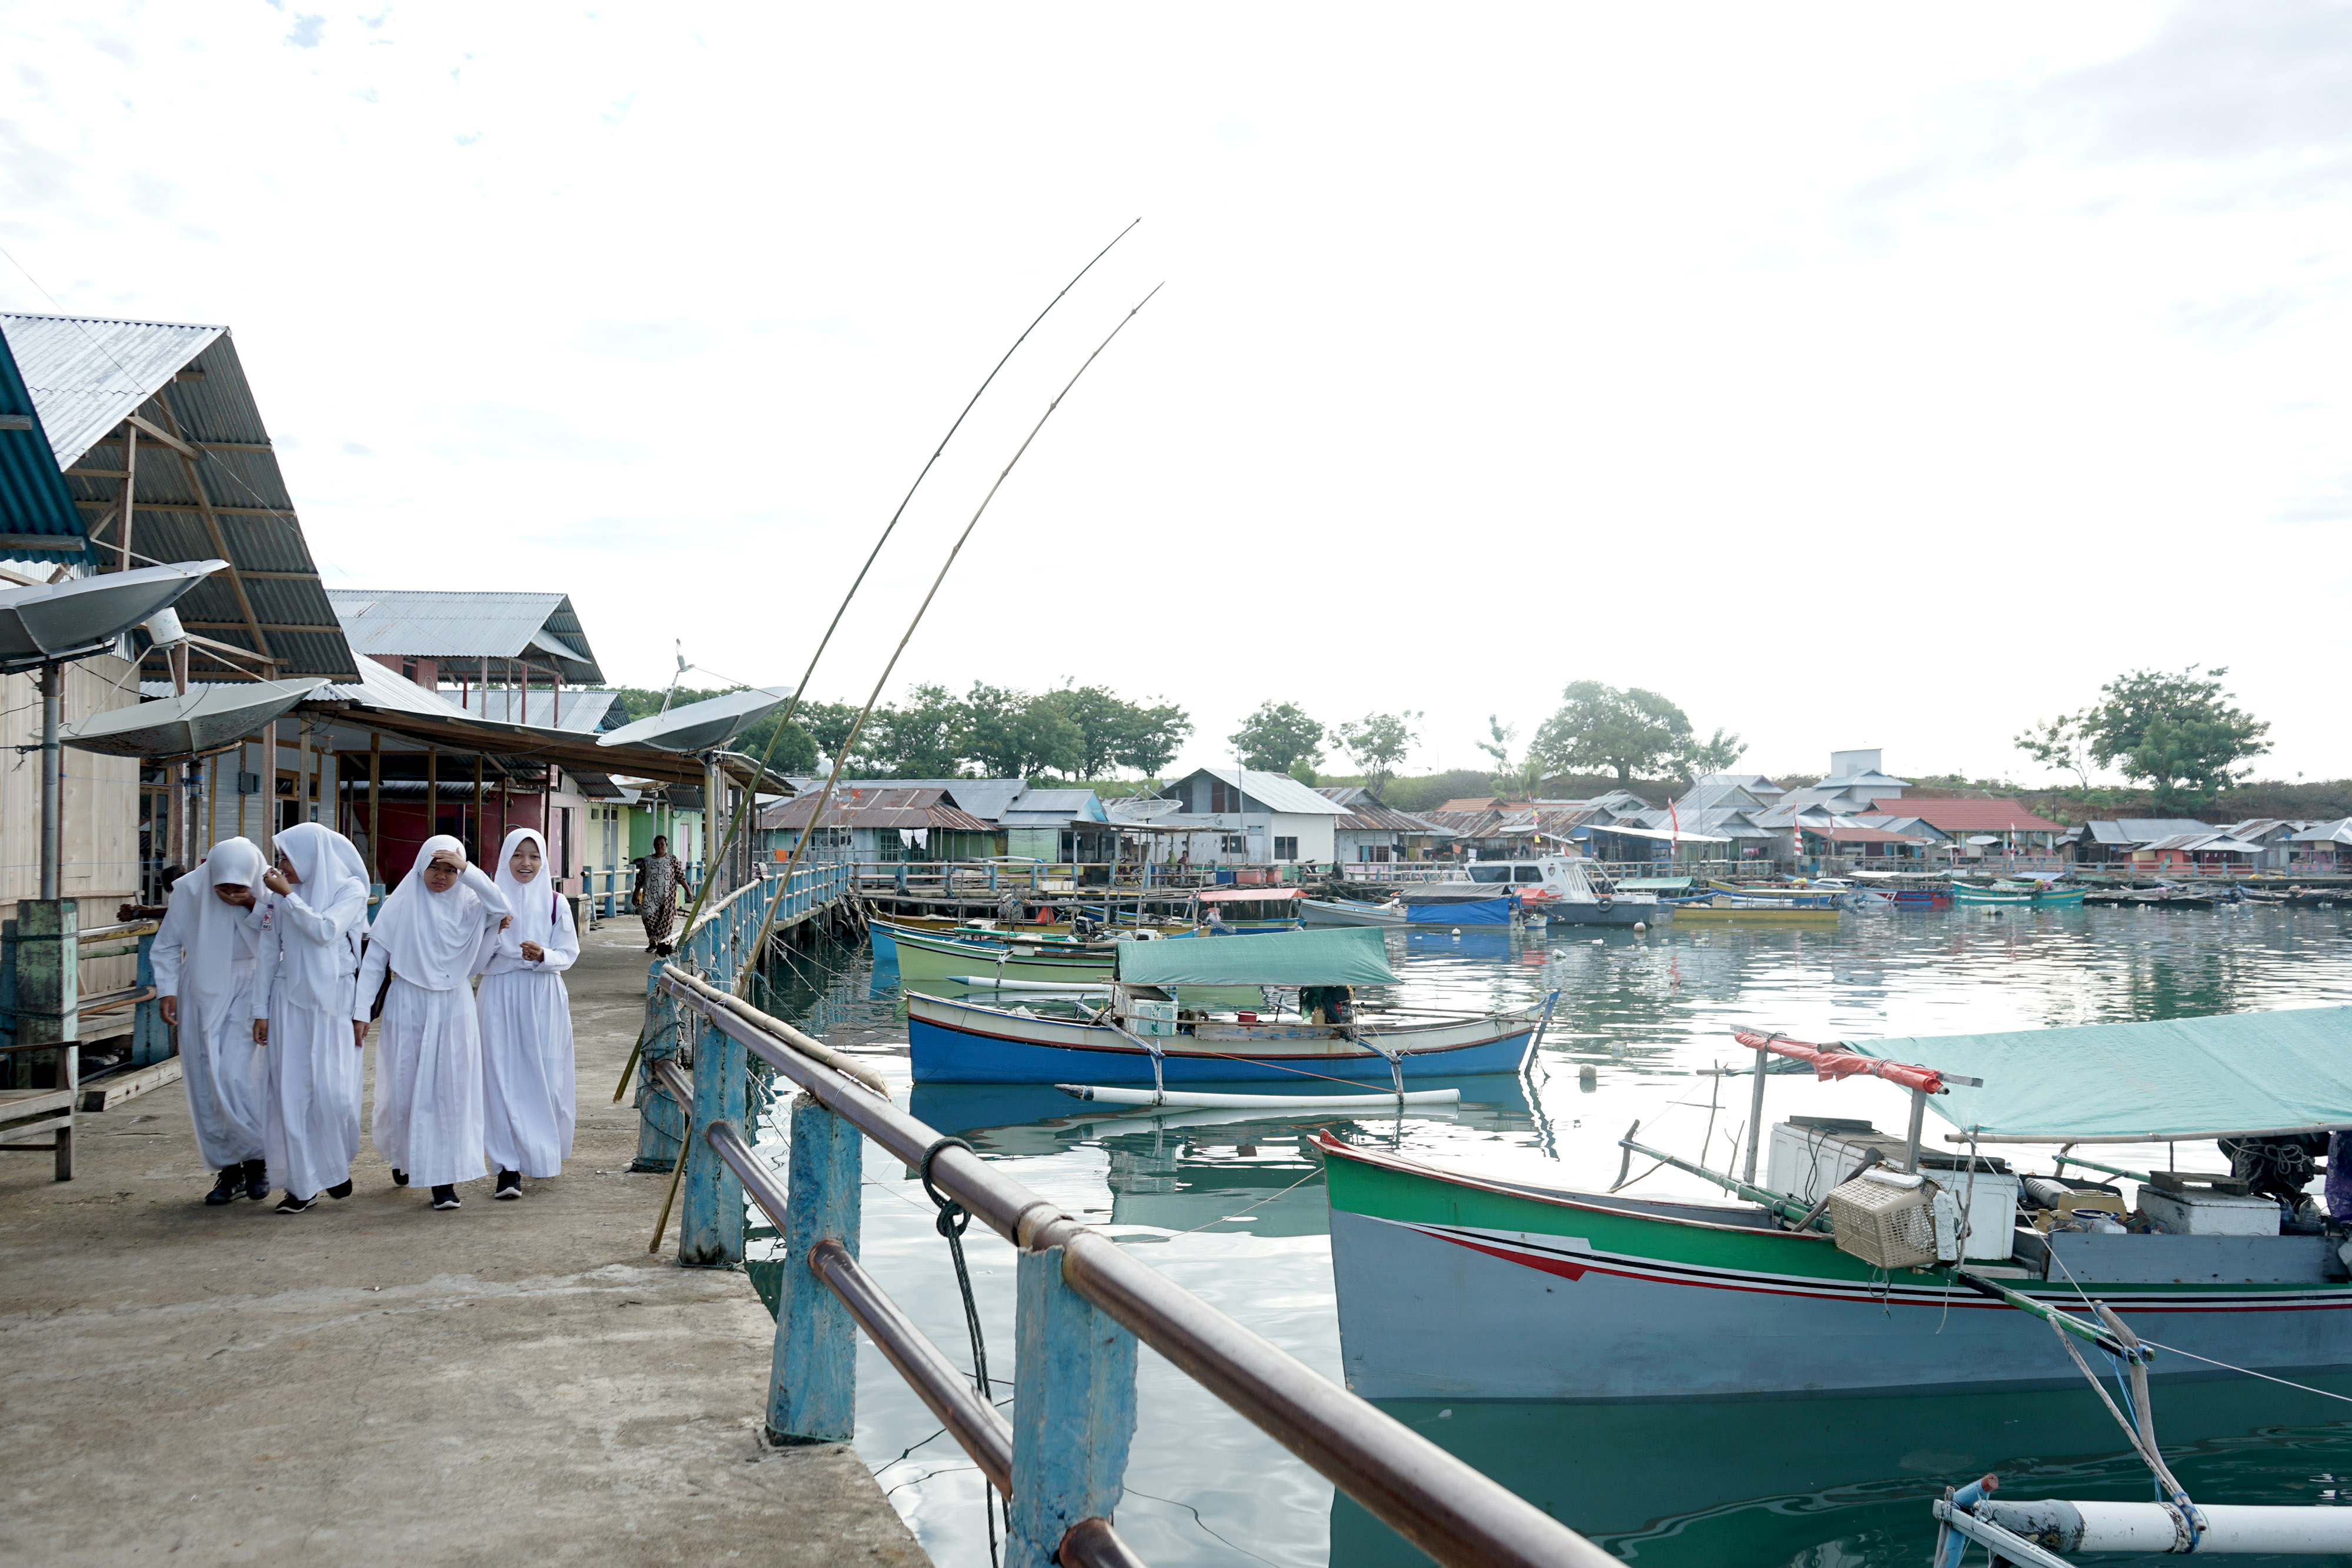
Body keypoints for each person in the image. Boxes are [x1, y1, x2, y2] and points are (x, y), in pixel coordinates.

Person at [355, 835, 512, 1211]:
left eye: (450, 869)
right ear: (419, 866)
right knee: (405, 1088)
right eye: (434, 867)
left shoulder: (471, 905)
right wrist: (361, 1013)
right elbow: (375, 960)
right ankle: (408, 1157)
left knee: (450, 1092)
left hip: (454, 1005)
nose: (441, 876)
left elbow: (500, 904)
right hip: (408, 1003)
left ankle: (443, 1181)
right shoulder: (401, 904)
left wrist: (468, 870)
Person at [249, 823, 372, 1214]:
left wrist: (288, 897)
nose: (281, 865)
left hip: (335, 998)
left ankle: (335, 1165)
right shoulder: (279, 896)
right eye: (280, 856)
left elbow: (326, 930)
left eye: (286, 856)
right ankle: (301, 1187)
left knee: (334, 1094)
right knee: (291, 1092)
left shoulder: (349, 889)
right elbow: (268, 952)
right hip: (290, 998)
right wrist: (260, 1010)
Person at [151, 838, 271, 1205]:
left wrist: (252, 902)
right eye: (223, 887)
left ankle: (258, 1163)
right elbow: (168, 944)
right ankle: (228, 1171)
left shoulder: (268, 891)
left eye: (240, 886)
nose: (230, 893)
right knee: (206, 1081)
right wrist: (167, 990)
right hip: (202, 989)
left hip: (253, 989)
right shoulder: (188, 890)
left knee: (239, 1077)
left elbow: (282, 930)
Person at [475, 827, 579, 1199]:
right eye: (518, 855)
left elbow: (568, 953)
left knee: (546, 1076)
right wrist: (492, 931)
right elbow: (473, 960)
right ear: (505, 858)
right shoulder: (487, 902)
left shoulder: (556, 903)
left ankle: (540, 1155)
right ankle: (507, 1169)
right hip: (500, 994)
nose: (526, 864)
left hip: (543, 996)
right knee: (501, 1078)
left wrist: (543, 957)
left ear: (545, 861)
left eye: (534, 856)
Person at [633, 834, 688, 955]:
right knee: (647, 916)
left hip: (667, 897)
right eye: (657, 845)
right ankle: (653, 941)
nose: (660, 847)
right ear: (654, 846)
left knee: (665, 921)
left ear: (666, 845)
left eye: (662, 844)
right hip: (650, 896)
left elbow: (680, 876)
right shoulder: (647, 860)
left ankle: (659, 944)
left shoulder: (672, 859)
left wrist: (688, 890)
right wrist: (635, 894)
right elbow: (640, 879)